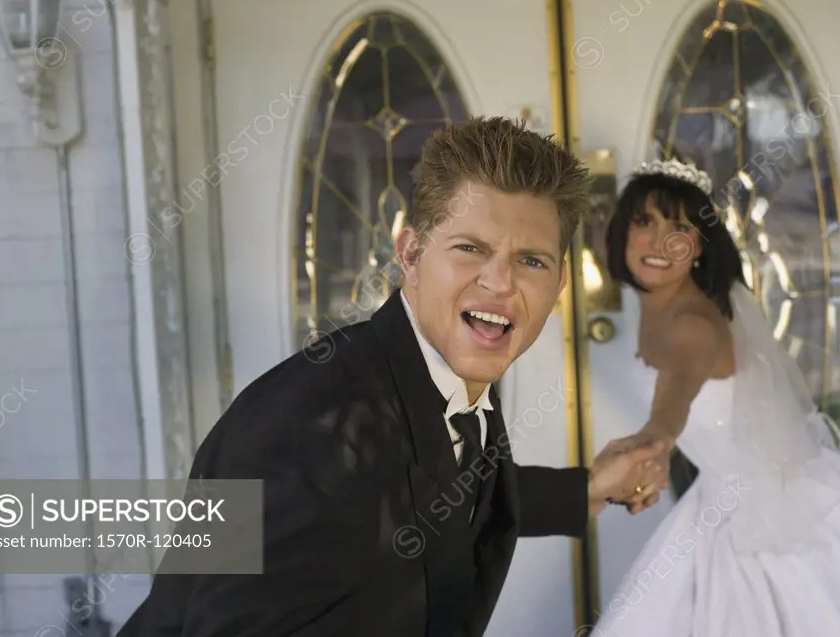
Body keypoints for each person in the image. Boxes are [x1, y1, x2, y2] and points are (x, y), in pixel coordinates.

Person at [117, 116, 669, 637]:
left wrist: (589, 488)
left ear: (561, 284)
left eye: (531, 261)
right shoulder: (308, 428)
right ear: (410, 253)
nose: (500, 282)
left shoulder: (444, 374)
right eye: (470, 248)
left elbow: (433, 493)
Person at [591, 159, 840, 636]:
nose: (659, 242)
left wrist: (652, 439)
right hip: (722, 499)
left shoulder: (691, 324)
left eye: (679, 227)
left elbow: (675, 395)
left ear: (698, 246)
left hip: (770, 517)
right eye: (644, 222)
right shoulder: (662, 304)